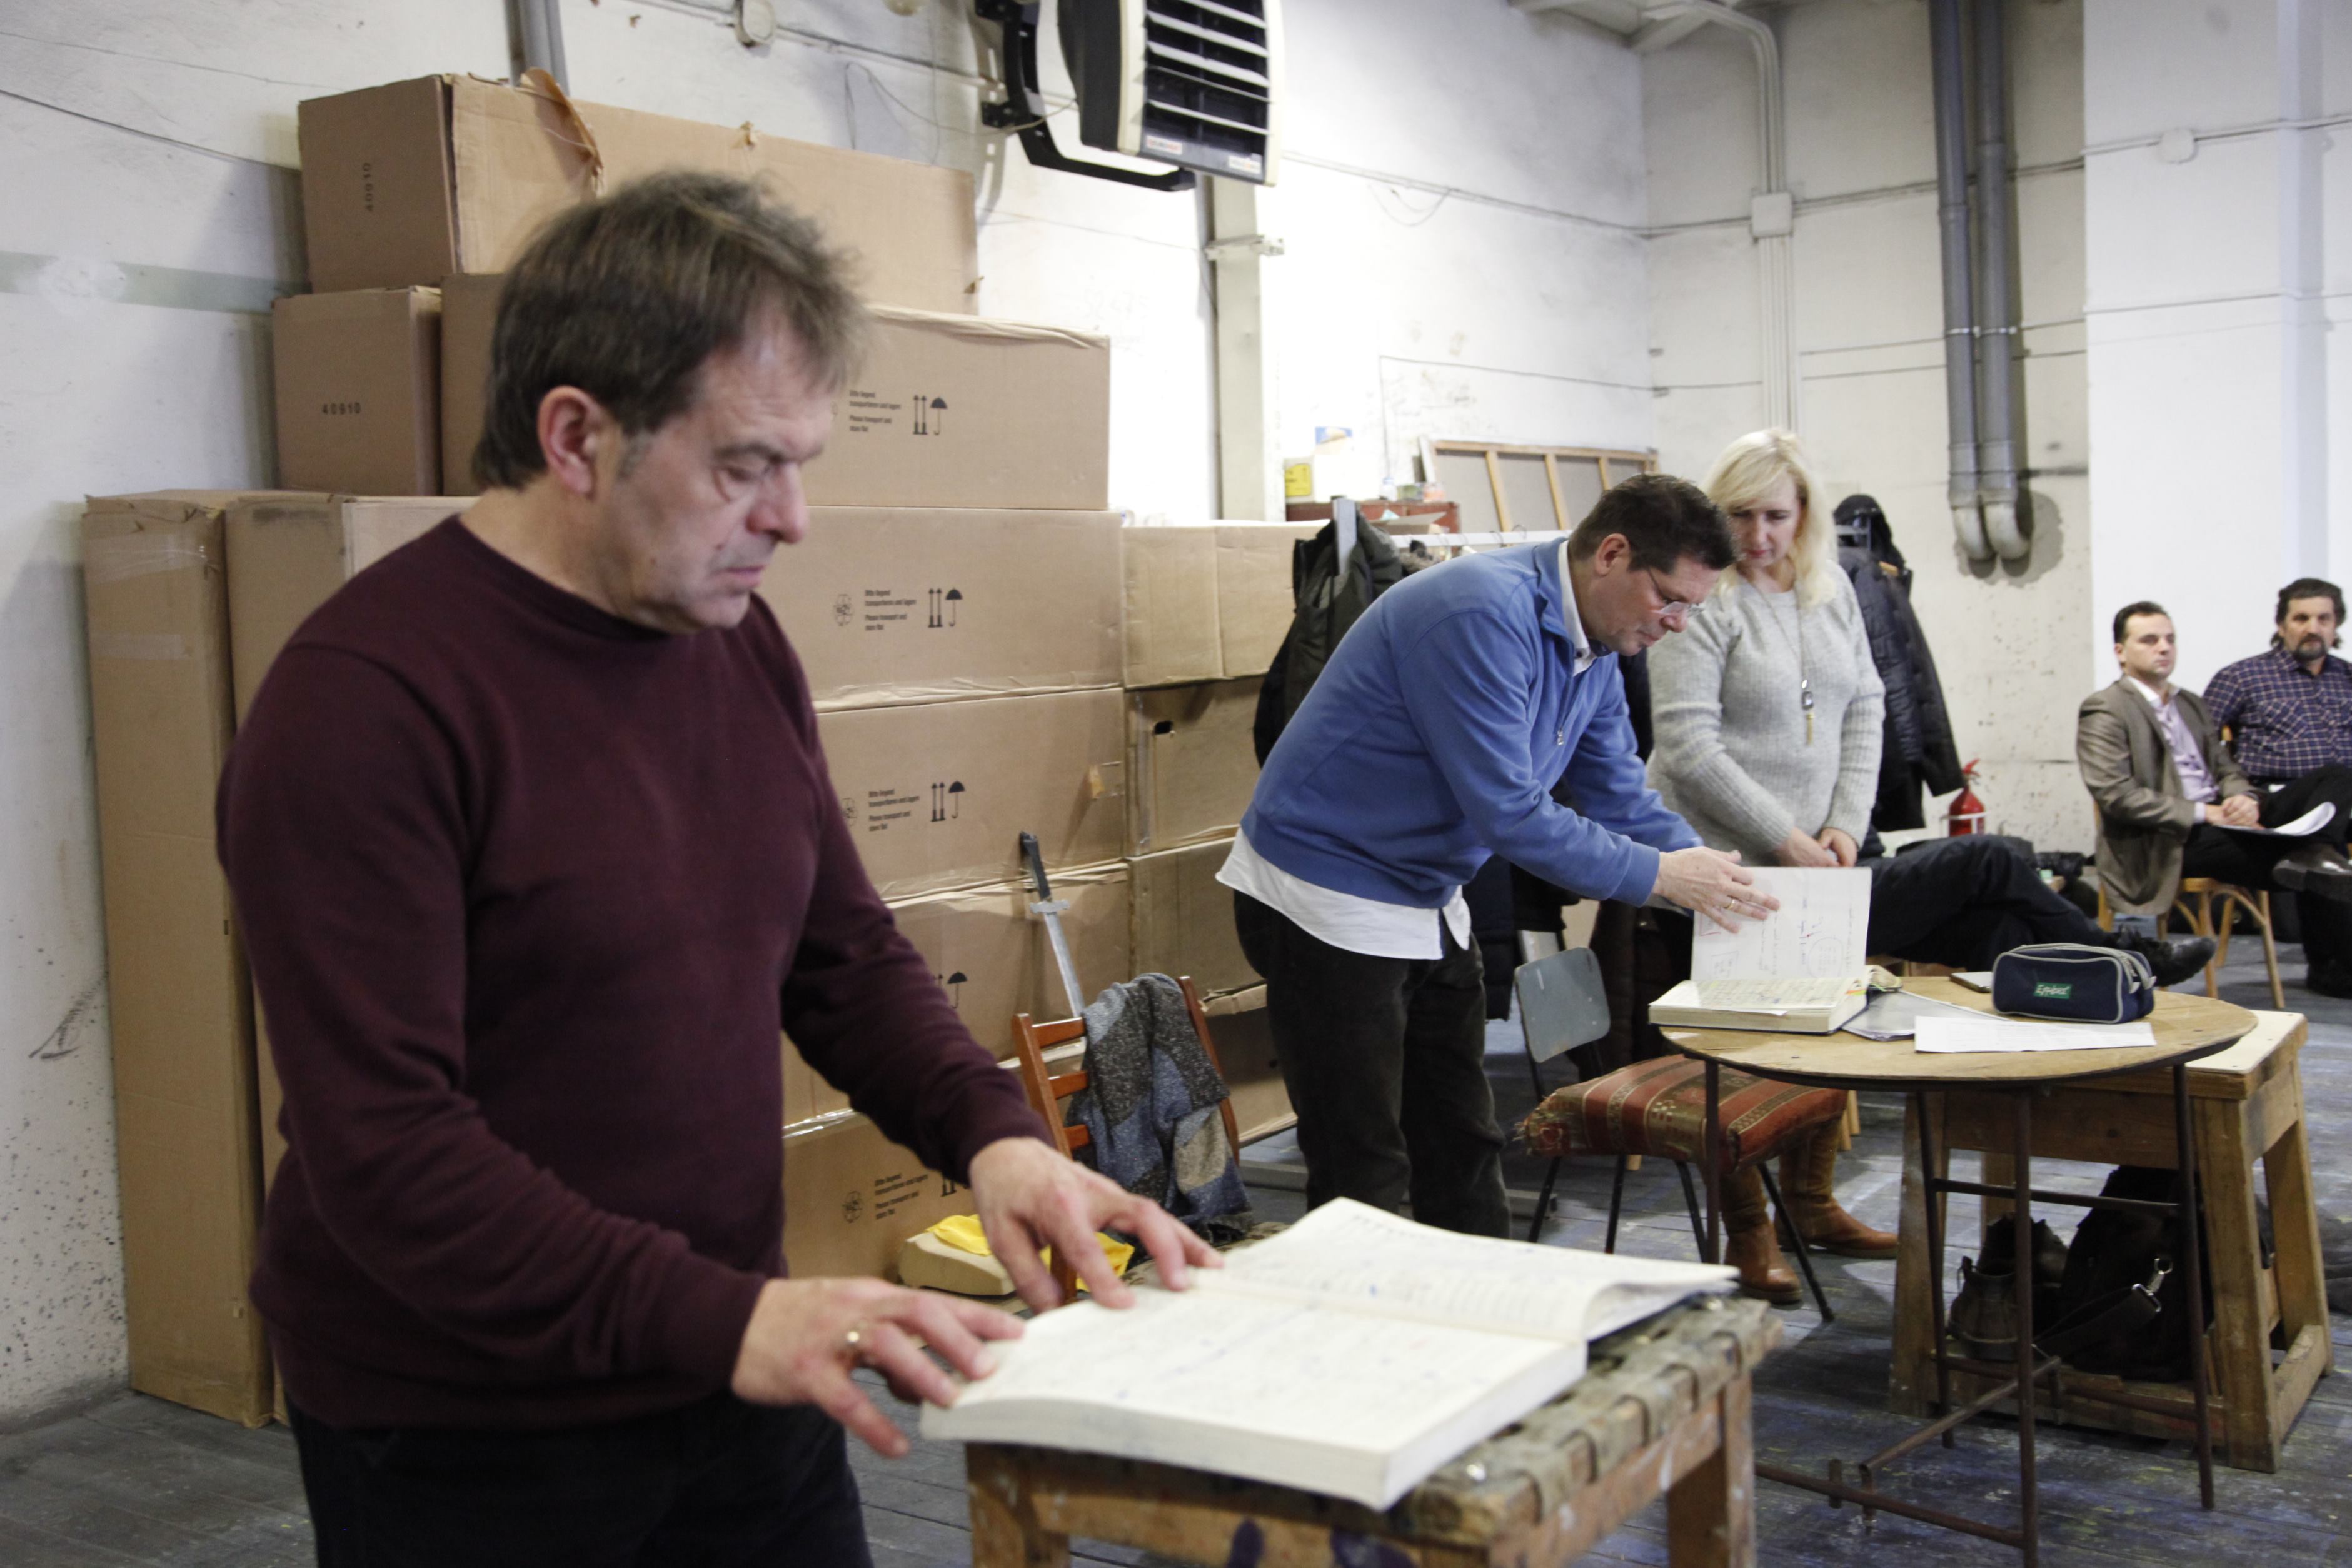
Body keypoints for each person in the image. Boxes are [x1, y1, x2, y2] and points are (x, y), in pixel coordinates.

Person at [217, 174, 1215, 1567]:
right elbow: (390, 1155)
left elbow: (840, 953)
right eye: (746, 466)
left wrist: (994, 1138)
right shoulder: (368, 704)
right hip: (469, 1429)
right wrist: (733, 1316)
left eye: (801, 463)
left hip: (727, 1366)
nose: (793, 519)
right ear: (577, 436)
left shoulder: (729, 641)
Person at [1646, 431, 2213, 1302]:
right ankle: (1750, 1233)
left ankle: (1816, 1203)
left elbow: (1866, 708)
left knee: (1987, 927)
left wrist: (1843, 826)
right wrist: (1792, 843)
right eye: (1741, 515)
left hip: (1823, 865)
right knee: (1984, 863)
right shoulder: (1702, 600)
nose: (1758, 535)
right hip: (1728, 876)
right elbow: (1687, 750)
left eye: (1776, 516)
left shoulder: (1827, 588)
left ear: (1804, 515)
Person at [1222, 475, 1774, 1242]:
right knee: (1363, 1165)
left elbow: (1618, 793)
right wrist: (1662, 877)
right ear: (1612, 555)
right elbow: (1511, 813)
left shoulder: (1597, 646)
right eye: (1670, 599)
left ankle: (1483, 1304)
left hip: (1425, 894)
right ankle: (1363, 1313)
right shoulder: (1479, 613)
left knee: (1462, 1142)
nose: (1677, 624)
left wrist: (1710, 874)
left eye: (1693, 609)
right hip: (1324, 894)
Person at [2082, 601, 2352, 996]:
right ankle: (2336, 950)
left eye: (2170, 639)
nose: (2164, 648)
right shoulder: (2106, 708)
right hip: (2170, 837)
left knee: (2337, 776)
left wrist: (2243, 798)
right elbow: (2117, 796)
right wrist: (2206, 812)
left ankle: (2315, 851)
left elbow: (2227, 768)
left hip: (2227, 819)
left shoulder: (2189, 703)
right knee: (2317, 858)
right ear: (2121, 652)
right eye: (2150, 640)